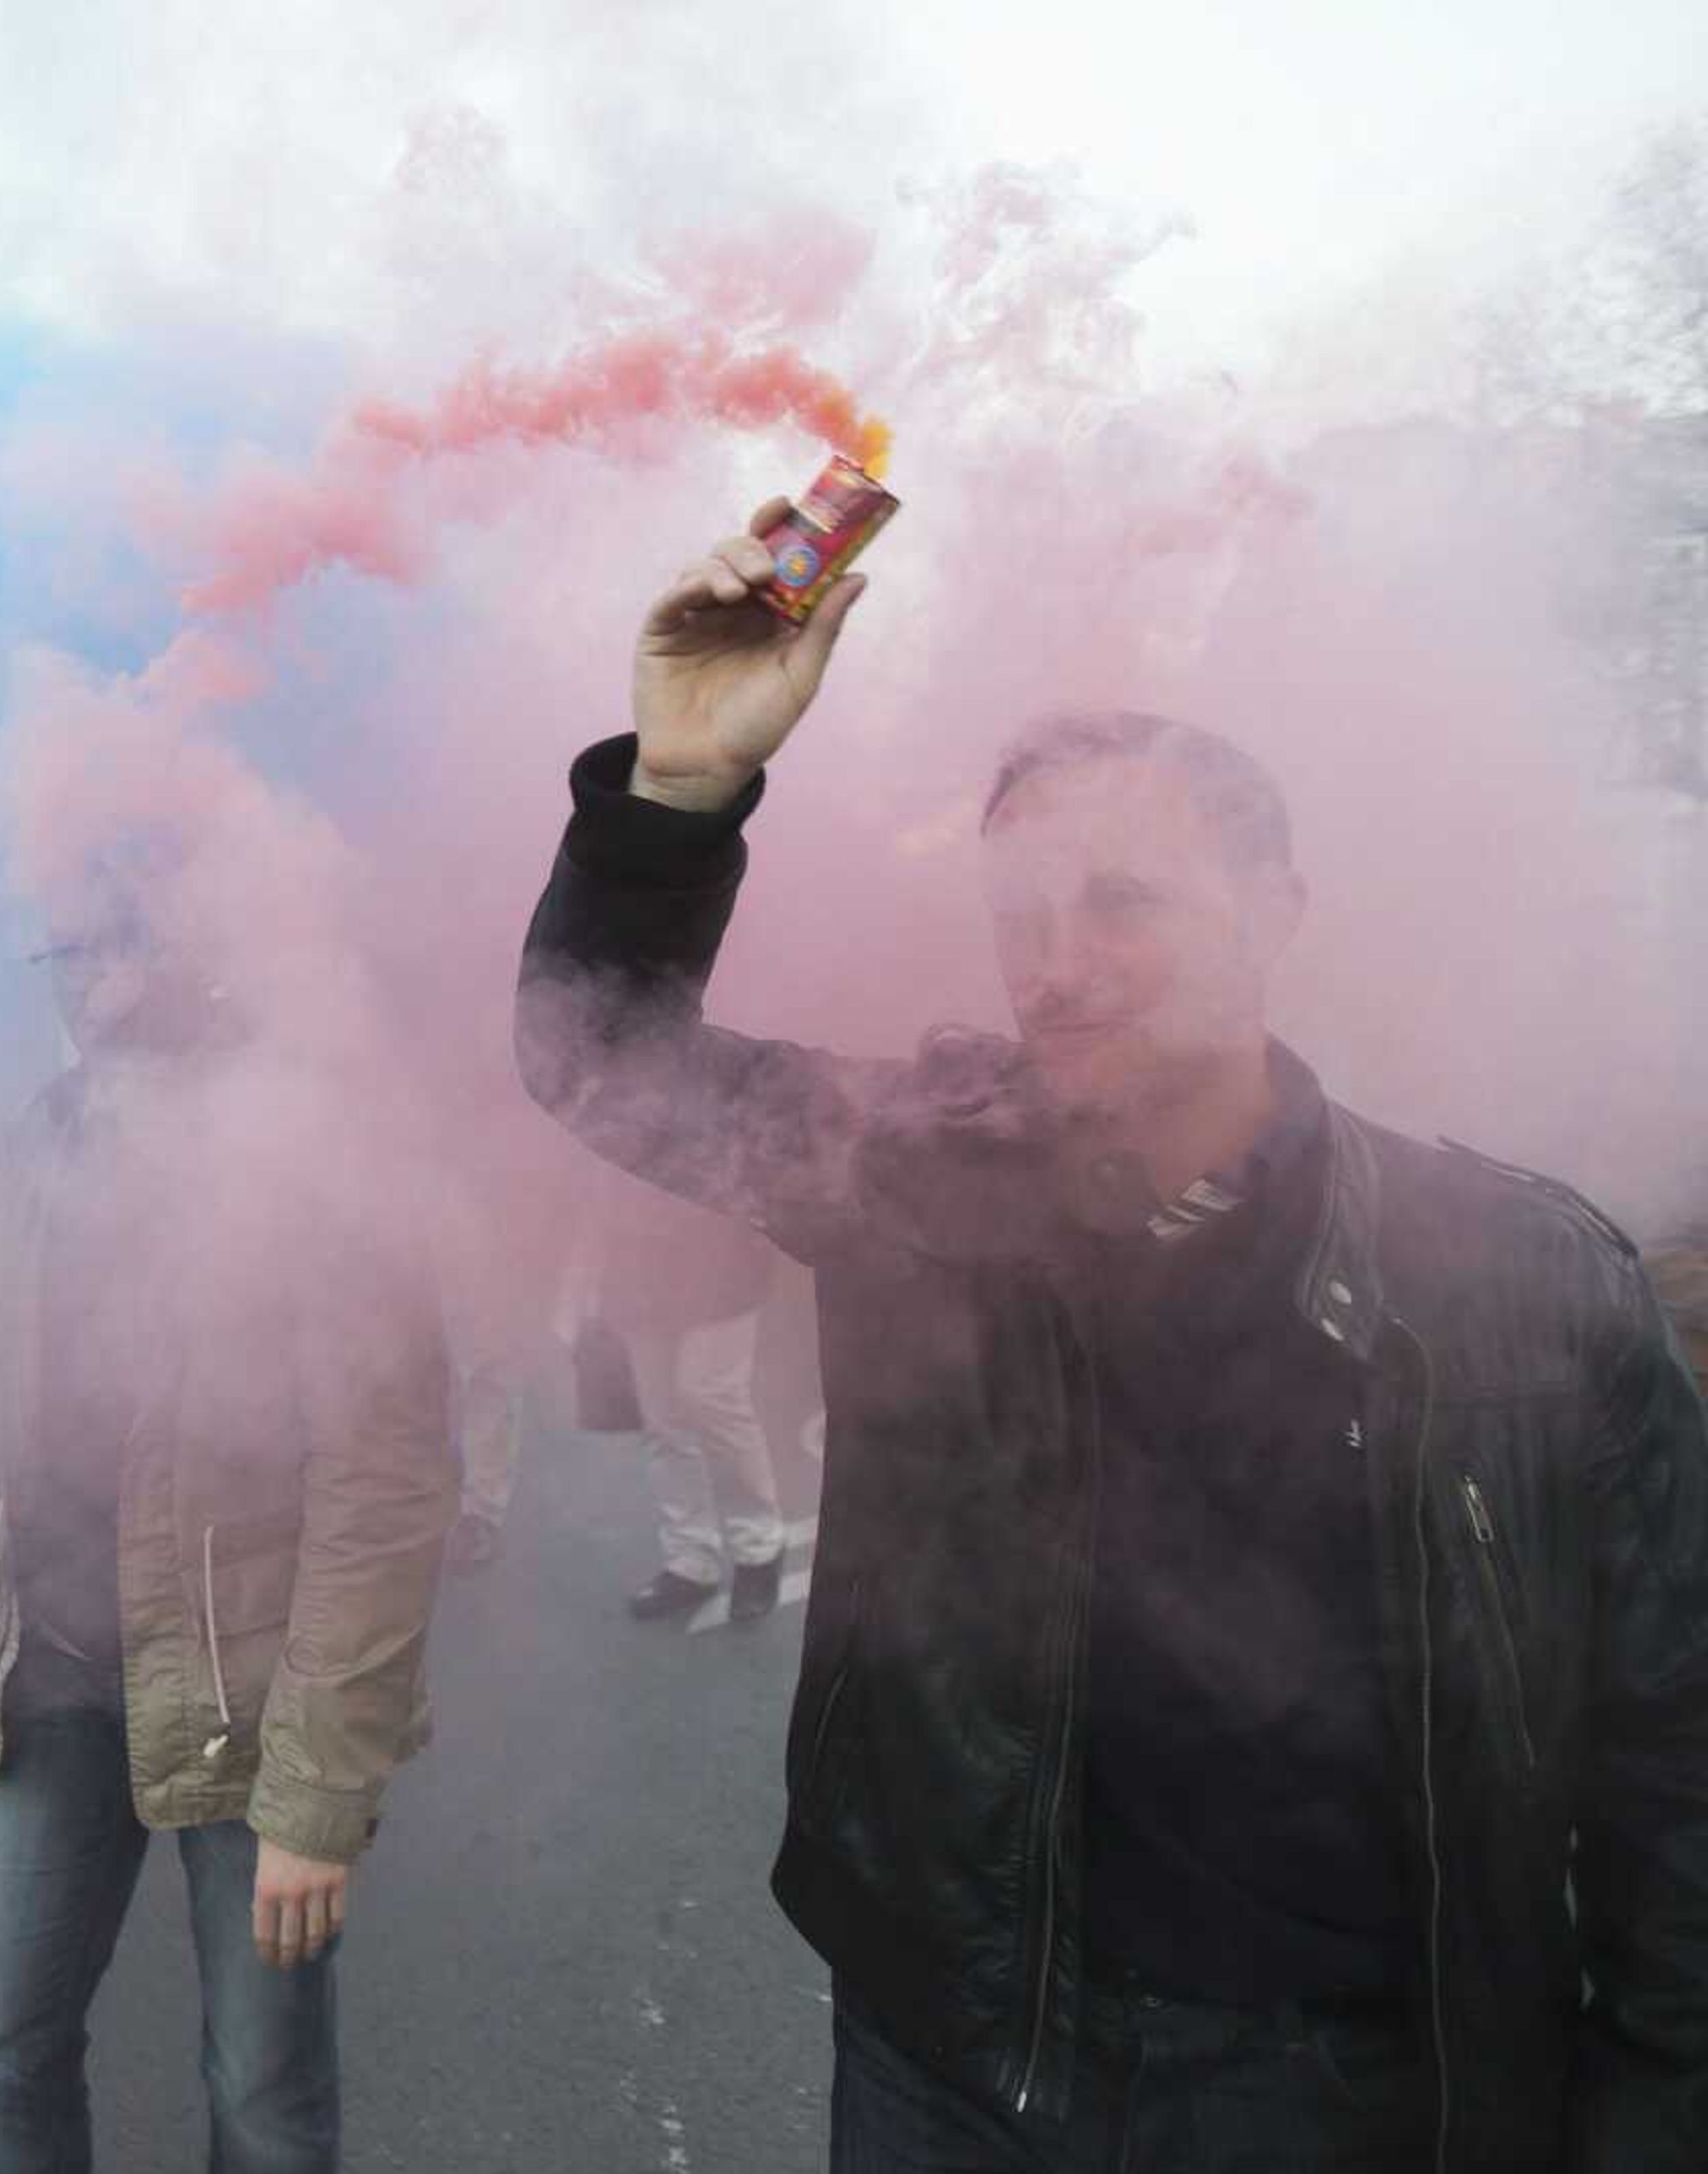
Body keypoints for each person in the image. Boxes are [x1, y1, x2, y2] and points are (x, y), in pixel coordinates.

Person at [512, 507, 1708, 2169]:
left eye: (1123, 902)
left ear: (1279, 906)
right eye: (1021, 910)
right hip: (959, 2047)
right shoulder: (918, 1177)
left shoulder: (1523, 1282)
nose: (1055, 968)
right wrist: (679, 785)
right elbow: (605, 1061)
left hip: (1349, 2092)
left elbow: (1674, 1769)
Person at [0, 892, 459, 2174]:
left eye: (119, 940)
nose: (85, 978)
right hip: (52, 1674)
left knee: (264, 2098)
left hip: (250, 1705)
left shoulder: (315, 1145)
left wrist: (316, 1791)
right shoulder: (56, 1126)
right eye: (64, 947)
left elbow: (386, 1481)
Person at [566, 1176, 790, 1624]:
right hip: (638, 1259)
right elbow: (595, 1173)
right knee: (662, 1416)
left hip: (722, 1252)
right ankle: (692, 1558)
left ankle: (759, 1546)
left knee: (709, 1395)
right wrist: (587, 1273)